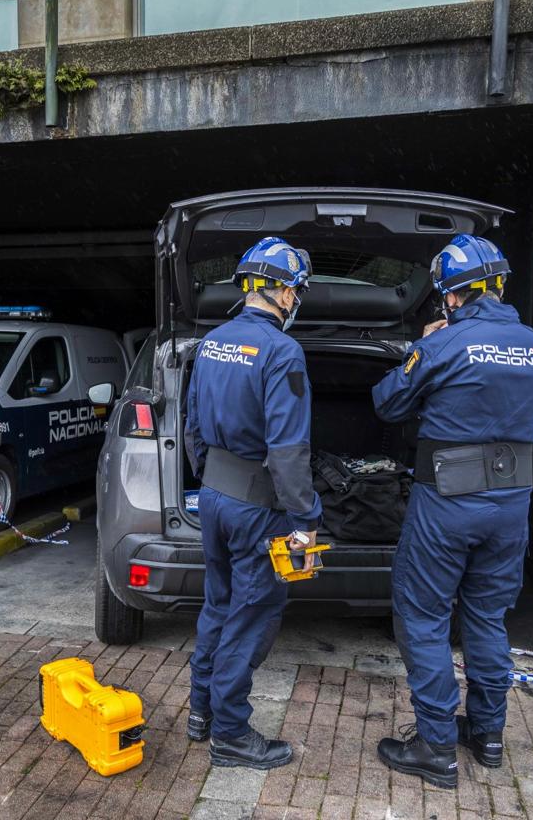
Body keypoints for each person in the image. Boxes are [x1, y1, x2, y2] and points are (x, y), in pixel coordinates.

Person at [372, 234, 533, 789]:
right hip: (510, 505)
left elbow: (388, 402)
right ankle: (487, 735)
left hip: (447, 502)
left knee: (422, 616)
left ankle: (434, 747)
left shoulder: (446, 343)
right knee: (487, 618)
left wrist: (419, 350)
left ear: (451, 297)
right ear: (498, 285)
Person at [184, 236, 323, 770]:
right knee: (253, 612)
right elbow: (288, 451)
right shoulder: (282, 351)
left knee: (218, 605)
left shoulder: (213, 340)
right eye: (297, 290)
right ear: (284, 291)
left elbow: (193, 428)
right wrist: (306, 517)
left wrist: (214, 482)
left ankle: (202, 711)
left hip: (214, 499)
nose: (296, 300)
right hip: (257, 510)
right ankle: (232, 735)